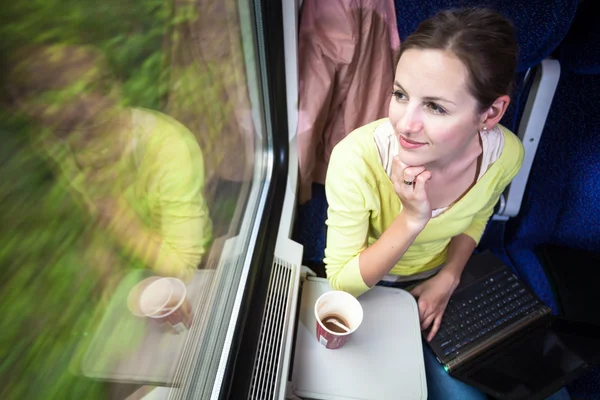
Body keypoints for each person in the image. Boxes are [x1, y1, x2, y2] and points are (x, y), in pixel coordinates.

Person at [324, 8, 570, 400]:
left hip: (451, 275)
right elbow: (342, 280)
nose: (406, 123)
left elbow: (477, 218)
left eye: (435, 107)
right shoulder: (356, 160)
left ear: (491, 113)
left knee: (546, 388)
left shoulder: (505, 155)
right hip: (380, 288)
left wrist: (449, 276)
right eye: (400, 95)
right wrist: (412, 218)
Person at [6, 45, 213, 287]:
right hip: (128, 273)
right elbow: (88, 218)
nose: (80, 147)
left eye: (97, 89)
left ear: (115, 90)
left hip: (186, 275)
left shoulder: (167, 148)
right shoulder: (53, 141)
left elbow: (186, 269)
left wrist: (114, 214)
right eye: (68, 130)